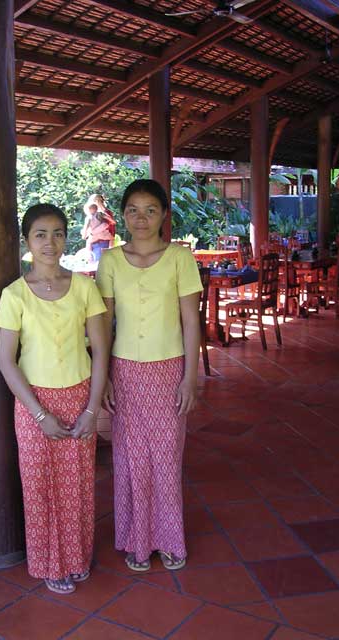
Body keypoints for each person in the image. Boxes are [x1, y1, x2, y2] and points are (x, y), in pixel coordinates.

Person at [0, 203, 108, 595]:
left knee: (78, 483)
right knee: (40, 485)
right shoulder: (14, 295)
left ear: (67, 237)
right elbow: (6, 362)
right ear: (26, 241)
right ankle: (48, 564)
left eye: (58, 233)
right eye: (40, 234)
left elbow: (101, 351)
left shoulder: (84, 287)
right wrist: (39, 414)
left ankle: (76, 558)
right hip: (32, 404)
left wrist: (93, 409)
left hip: (79, 395)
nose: (50, 242)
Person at [96, 179, 202, 572]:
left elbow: (191, 322)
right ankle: (136, 540)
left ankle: (170, 540)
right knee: (129, 457)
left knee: (166, 456)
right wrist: (103, 375)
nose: (141, 218)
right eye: (133, 210)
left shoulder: (179, 257)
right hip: (124, 370)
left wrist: (190, 378)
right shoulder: (109, 261)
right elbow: (104, 323)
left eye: (150, 210)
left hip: (169, 368)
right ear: (122, 215)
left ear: (164, 216)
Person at [81, 194, 116, 260]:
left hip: (102, 243)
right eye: (96, 201)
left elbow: (109, 225)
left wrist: (92, 232)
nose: (98, 202)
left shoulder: (104, 213)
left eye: (100, 200)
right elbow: (85, 232)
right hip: (94, 243)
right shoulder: (89, 217)